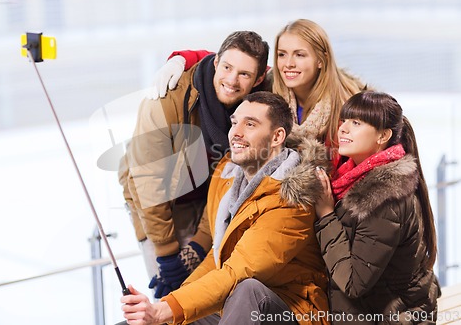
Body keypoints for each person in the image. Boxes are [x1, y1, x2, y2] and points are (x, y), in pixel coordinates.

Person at [118, 91, 331, 325]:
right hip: (233, 305)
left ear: (277, 136)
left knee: (247, 290)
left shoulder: (292, 199)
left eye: (250, 124)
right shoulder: (227, 175)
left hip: (291, 310)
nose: (236, 133)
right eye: (234, 122)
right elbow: (218, 254)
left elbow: (238, 272)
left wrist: (163, 311)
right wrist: (166, 306)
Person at [118, 31, 270, 298]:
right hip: (159, 205)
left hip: (211, 205)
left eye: (244, 74)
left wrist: (200, 245)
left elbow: (230, 181)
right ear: (216, 63)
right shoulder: (165, 101)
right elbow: (148, 183)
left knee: (205, 296)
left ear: (258, 79)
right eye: (227, 67)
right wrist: (166, 254)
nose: (232, 80)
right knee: (169, 296)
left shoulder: (255, 107)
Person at [150, 19, 365, 167]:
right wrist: (181, 58)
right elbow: (230, 61)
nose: (288, 64)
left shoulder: (350, 105)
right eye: (282, 54)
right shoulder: (272, 85)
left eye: (299, 55)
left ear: (321, 59)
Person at [314, 90, 440, 324]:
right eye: (344, 120)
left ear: (383, 136)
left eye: (356, 122)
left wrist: (326, 216)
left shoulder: (384, 198)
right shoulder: (350, 178)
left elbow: (353, 284)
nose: (343, 128)